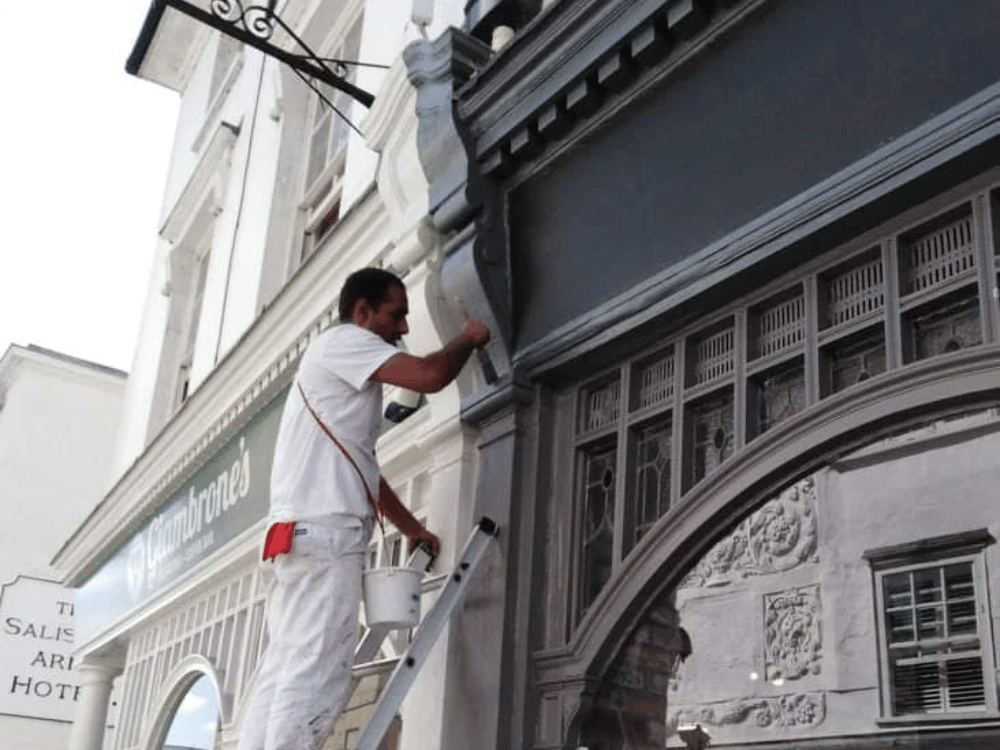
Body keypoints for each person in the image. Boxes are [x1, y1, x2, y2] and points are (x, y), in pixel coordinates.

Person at [237, 268, 491, 750]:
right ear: (361, 311)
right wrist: (469, 337)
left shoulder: (339, 378)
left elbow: (364, 466)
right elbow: (430, 376)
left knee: (284, 668)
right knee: (316, 670)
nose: (402, 329)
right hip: (325, 533)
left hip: (298, 537)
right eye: (396, 315)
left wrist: (410, 525)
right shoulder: (344, 343)